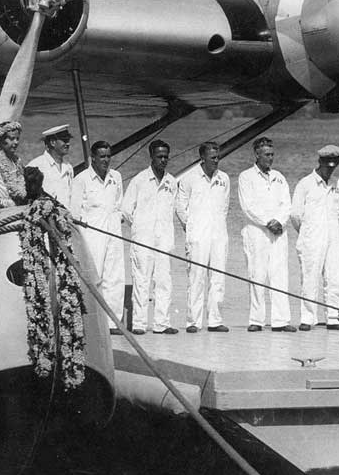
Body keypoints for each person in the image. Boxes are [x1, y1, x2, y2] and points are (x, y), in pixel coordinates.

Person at [121, 139, 178, 335]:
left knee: (164, 282)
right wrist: (140, 228)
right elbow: (126, 210)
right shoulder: (139, 180)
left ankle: (162, 323)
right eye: (159, 156)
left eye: (166, 157)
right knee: (141, 282)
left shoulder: (171, 182)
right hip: (143, 240)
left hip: (164, 240)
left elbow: (173, 209)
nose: (163, 160)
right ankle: (139, 323)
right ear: (151, 156)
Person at [237, 137, 293, 332]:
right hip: (257, 232)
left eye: (272, 154)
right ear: (257, 154)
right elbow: (248, 206)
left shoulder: (279, 177)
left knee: (280, 275)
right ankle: (256, 320)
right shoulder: (246, 177)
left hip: (278, 232)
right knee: (257, 275)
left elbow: (286, 204)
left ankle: (281, 321)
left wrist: (279, 221)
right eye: (267, 154)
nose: (270, 158)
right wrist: (268, 222)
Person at [176, 141, 230, 333]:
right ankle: (193, 322)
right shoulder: (189, 178)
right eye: (212, 157)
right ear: (202, 158)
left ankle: (215, 320)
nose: (216, 160)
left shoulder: (224, 178)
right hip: (197, 235)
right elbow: (180, 207)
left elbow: (225, 207)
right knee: (196, 277)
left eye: (218, 157)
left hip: (219, 234)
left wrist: (218, 227)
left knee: (218, 278)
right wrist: (190, 226)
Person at [71, 140, 125, 334]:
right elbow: (74, 212)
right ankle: (91, 322)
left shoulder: (116, 177)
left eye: (108, 156)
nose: (106, 160)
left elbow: (118, 204)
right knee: (94, 277)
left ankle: (113, 322)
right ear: (92, 158)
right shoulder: (81, 179)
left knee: (115, 277)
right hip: (92, 234)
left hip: (113, 232)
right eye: (102, 156)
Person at [290, 145, 339, 331]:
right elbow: (295, 215)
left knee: (334, 276)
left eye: (333, 165)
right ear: (320, 162)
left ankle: (334, 317)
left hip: (333, 234)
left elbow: (338, 211)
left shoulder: (338, 184)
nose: (330, 169)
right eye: (327, 164)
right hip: (311, 236)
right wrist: (307, 232)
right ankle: (308, 318)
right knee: (310, 277)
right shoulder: (305, 184)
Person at [27, 124, 74, 207]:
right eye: (64, 140)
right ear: (52, 142)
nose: (68, 144)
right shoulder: (36, 166)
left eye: (68, 140)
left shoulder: (68, 167)